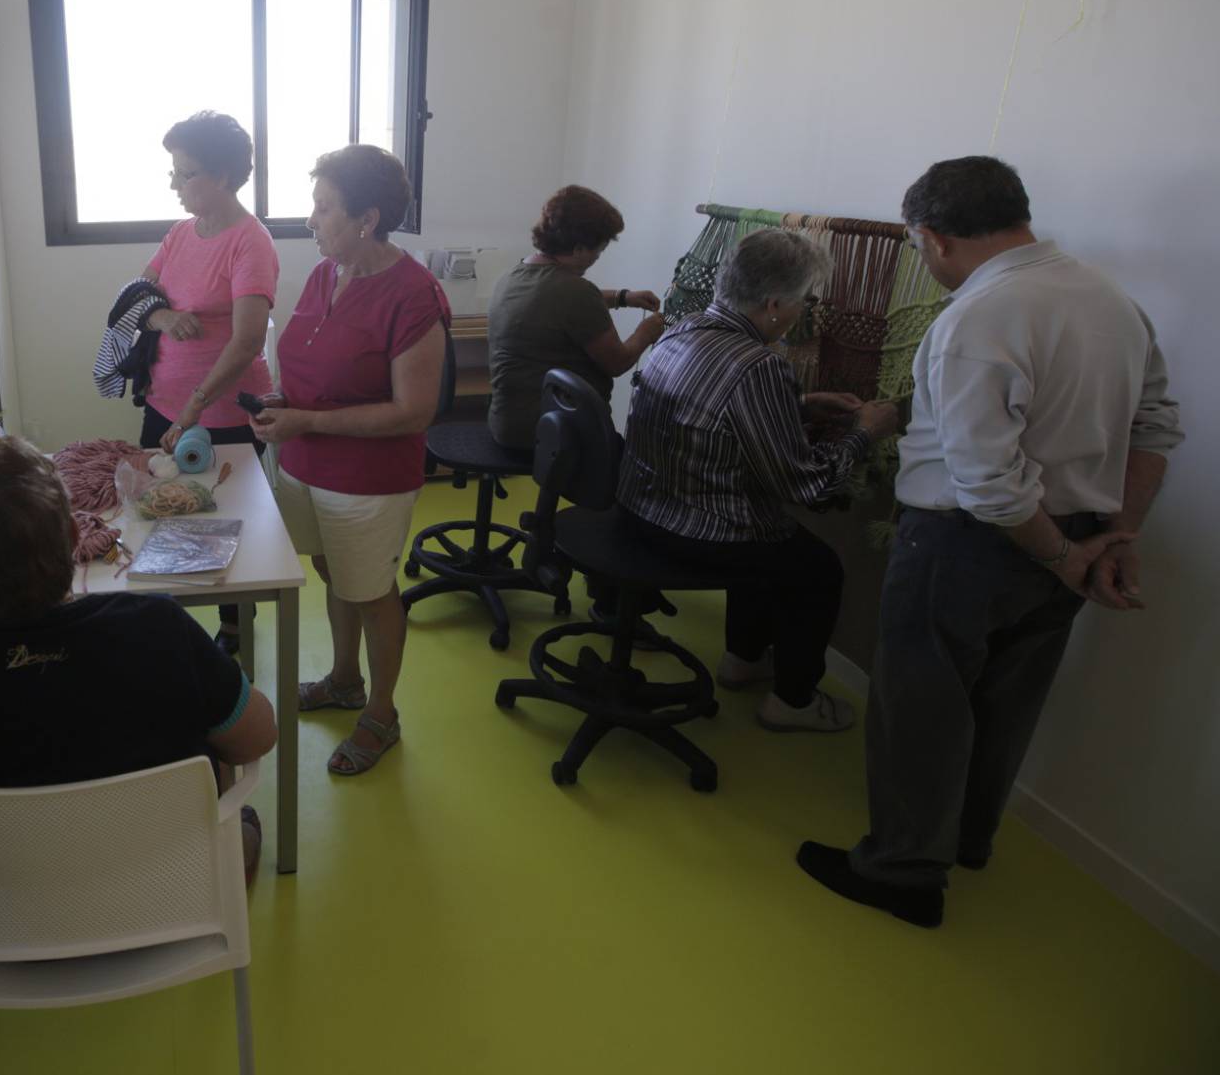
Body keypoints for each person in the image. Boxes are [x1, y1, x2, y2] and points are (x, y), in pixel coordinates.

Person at [798, 156, 1181, 929]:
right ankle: (967, 840)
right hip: (1071, 536)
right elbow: (1154, 428)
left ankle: (904, 870)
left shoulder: (977, 317)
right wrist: (1113, 537)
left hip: (968, 545)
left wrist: (1063, 557)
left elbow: (991, 481)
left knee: (923, 706)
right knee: (1008, 702)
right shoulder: (1113, 303)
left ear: (934, 238)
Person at [0, 433, 277, 879]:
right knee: (221, 753)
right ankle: (233, 853)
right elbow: (257, 737)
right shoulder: (159, 626)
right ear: (76, 535)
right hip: (157, 891)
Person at [617, 229, 899, 732]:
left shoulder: (682, 329)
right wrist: (864, 433)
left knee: (765, 527)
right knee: (813, 565)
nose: (803, 314)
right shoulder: (758, 366)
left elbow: (707, 413)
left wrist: (799, 407)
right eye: (804, 302)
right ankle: (792, 700)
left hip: (641, 511)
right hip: (693, 534)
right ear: (773, 303)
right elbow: (808, 487)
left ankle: (743, 660)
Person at [251, 145, 449, 776]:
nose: (310, 220)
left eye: (323, 208)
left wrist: (305, 418)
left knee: (372, 591)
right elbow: (310, 365)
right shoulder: (324, 273)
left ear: (367, 217)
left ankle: (382, 715)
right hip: (304, 463)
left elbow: (413, 411)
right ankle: (343, 680)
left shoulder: (413, 295)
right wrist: (285, 401)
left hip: (367, 481)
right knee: (335, 573)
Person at [139, 111, 280, 647]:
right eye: (173, 171)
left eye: (186, 173)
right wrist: (163, 318)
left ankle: (233, 629)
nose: (174, 184)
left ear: (222, 177)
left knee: (227, 525)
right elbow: (136, 298)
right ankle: (165, 624)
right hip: (164, 403)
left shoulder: (251, 243)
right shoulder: (179, 234)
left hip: (220, 414)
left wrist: (193, 409)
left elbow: (246, 341)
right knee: (163, 516)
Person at [488, 184, 665, 453]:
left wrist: (622, 297)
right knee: (635, 472)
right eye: (598, 251)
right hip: (552, 434)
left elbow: (558, 304)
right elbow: (618, 362)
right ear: (579, 248)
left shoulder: (515, 275)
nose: (596, 258)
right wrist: (647, 331)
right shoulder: (574, 292)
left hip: (507, 424)